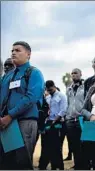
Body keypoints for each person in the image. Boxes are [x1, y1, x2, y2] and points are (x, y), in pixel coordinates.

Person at [0, 41, 45, 169]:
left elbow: (31, 98)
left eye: (18, 50)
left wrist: (10, 115)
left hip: (24, 122)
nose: (13, 52)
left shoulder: (34, 73)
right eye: (12, 50)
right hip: (5, 124)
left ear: (28, 54)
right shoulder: (7, 76)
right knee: (6, 162)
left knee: (22, 162)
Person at [65, 68, 88, 169]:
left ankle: (84, 165)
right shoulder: (69, 88)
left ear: (80, 74)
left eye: (76, 73)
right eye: (72, 73)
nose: (74, 75)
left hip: (81, 119)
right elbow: (68, 103)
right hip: (70, 120)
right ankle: (77, 165)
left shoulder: (85, 87)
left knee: (83, 144)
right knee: (73, 145)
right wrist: (66, 116)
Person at [43, 80, 67, 170]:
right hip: (49, 123)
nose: (50, 91)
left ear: (54, 86)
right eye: (48, 90)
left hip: (58, 123)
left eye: (51, 90)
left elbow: (63, 110)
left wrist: (55, 120)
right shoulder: (48, 97)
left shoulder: (61, 96)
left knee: (57, 146)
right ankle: (53, 166)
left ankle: (60, 167)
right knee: (49, 146)